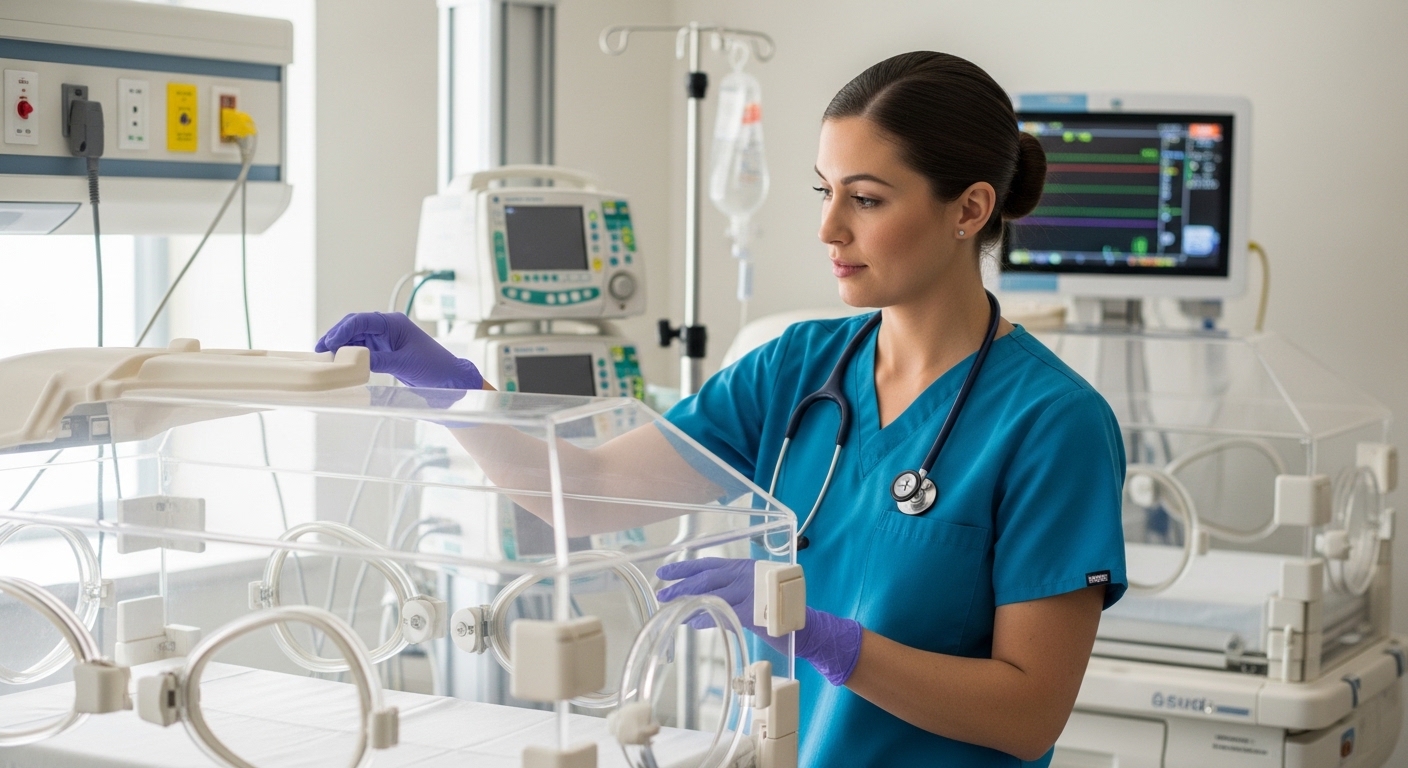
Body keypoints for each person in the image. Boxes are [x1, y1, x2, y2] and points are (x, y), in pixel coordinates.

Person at [317, 51, 1127, 768]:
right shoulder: (795, 370)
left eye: (867, 199)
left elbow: (1028, 715)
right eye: (824, 191)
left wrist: (824, 638)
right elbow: (591, 491)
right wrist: (456, 393)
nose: (828, 227)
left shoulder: (1053, 424)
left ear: (970, 209)